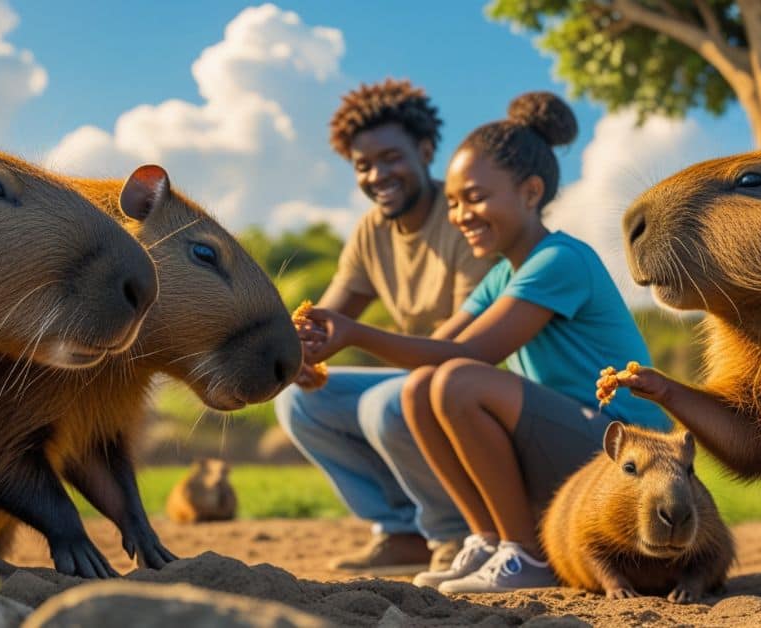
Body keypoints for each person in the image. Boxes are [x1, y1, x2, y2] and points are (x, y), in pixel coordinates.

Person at [297, 92, 671, 593]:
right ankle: (489, 539)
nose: (459, 214)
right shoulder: (502, 275)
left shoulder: (560, 260)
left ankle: (526, 555)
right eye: (452, 202)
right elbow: (439, 345)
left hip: (630, 450)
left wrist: (355, 334)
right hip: (575, 441)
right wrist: (322, 339)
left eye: (474, 197)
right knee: (419, 388)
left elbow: (473, 357)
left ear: (530, 192)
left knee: (457, 383)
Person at [274, 78, 494, 576]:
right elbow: (327, 317)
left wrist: (352, 337)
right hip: (422, 380)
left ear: (425, 149)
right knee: (301, 400)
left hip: (477, 388)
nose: (377, 175)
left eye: (391, 158)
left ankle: (456, 532)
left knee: (391, 402)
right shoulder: (372, 231)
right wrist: (303, 354)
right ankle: (402, 532)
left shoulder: (463, 218)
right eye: (362, 165)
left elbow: (461, 350)